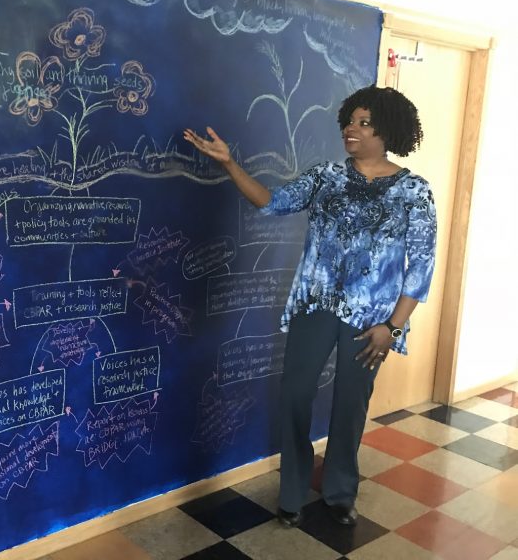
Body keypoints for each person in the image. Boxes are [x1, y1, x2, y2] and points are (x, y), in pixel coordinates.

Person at [183, 85, 437, 528]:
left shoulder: (414, 192)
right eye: (349, 121)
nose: (351, 129)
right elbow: (271, 203)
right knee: (295, 396)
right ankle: (293, 492)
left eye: (363, 123)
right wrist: (229, 164)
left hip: (372, 321)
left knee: (350, 405)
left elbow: (421, 268)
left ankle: (340, 492)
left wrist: (393, 328)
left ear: (387, 130)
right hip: (315, 305)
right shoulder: (326, 177)